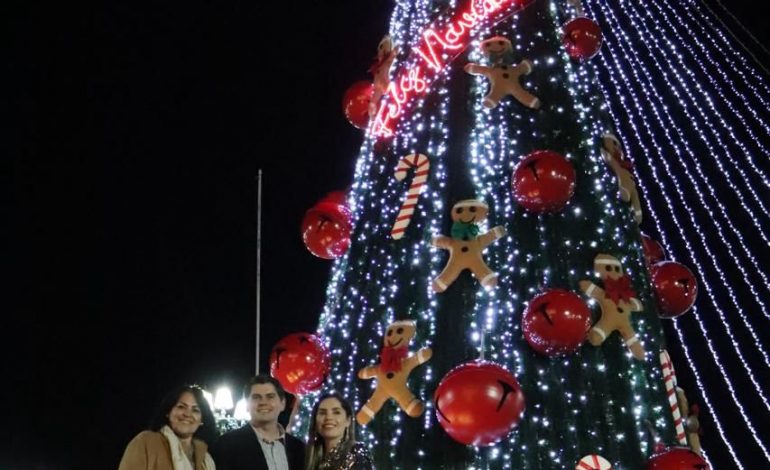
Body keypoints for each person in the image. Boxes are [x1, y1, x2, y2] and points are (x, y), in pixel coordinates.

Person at [210, 375, 304, 470]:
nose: (263, 402)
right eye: (256, 397)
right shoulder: (227, 444)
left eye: (270, 397)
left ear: (282, 403)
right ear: (247, 405)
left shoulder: (298, 447)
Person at [119, 384, 217, 470]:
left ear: (202, 420)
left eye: (195, 410)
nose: (187, 414)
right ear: (168, 412)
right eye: (181, 407)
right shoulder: (146, 442)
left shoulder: (205, 458)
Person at [306, 391, 374, 470]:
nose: (328, 417)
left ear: (348, 421)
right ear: (315, 422)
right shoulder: (309, 457)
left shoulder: (357, 453)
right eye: (322, 413)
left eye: (336, 412)